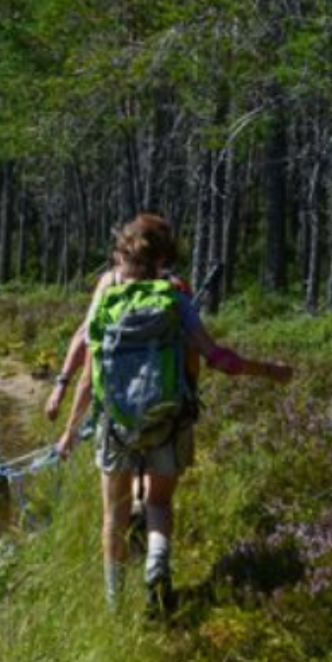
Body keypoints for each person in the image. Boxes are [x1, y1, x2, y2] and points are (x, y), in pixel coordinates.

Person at [52, 214, 292, 612]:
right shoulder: (176, 294)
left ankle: (114, 604)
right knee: (159, 504)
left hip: (115, 423)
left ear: (124, 250)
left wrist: (68, 423)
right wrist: (270, 371)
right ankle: (157, 562)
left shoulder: (108, 290)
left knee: (114, 513)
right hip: (170, 417)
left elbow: (87, 350)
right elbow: (217, 359)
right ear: (166, 254)